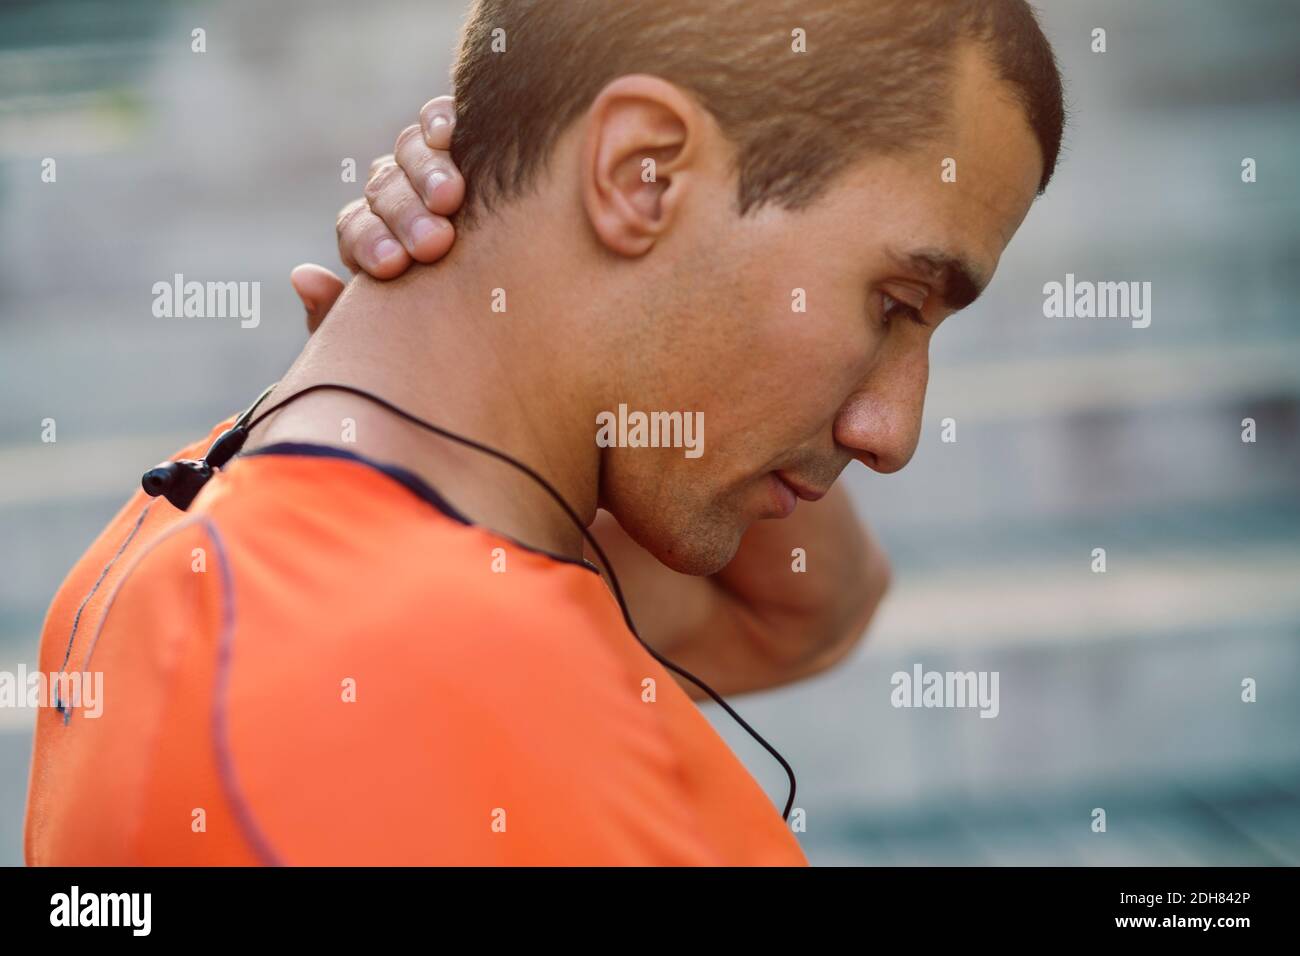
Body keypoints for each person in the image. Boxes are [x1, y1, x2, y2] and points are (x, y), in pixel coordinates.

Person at [25, 0, 1064, 865]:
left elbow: (816, 609)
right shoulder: (411, 679)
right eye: (893, 301)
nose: (892, 432)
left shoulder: (229, 516)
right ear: (640, 172)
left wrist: (484, 318)